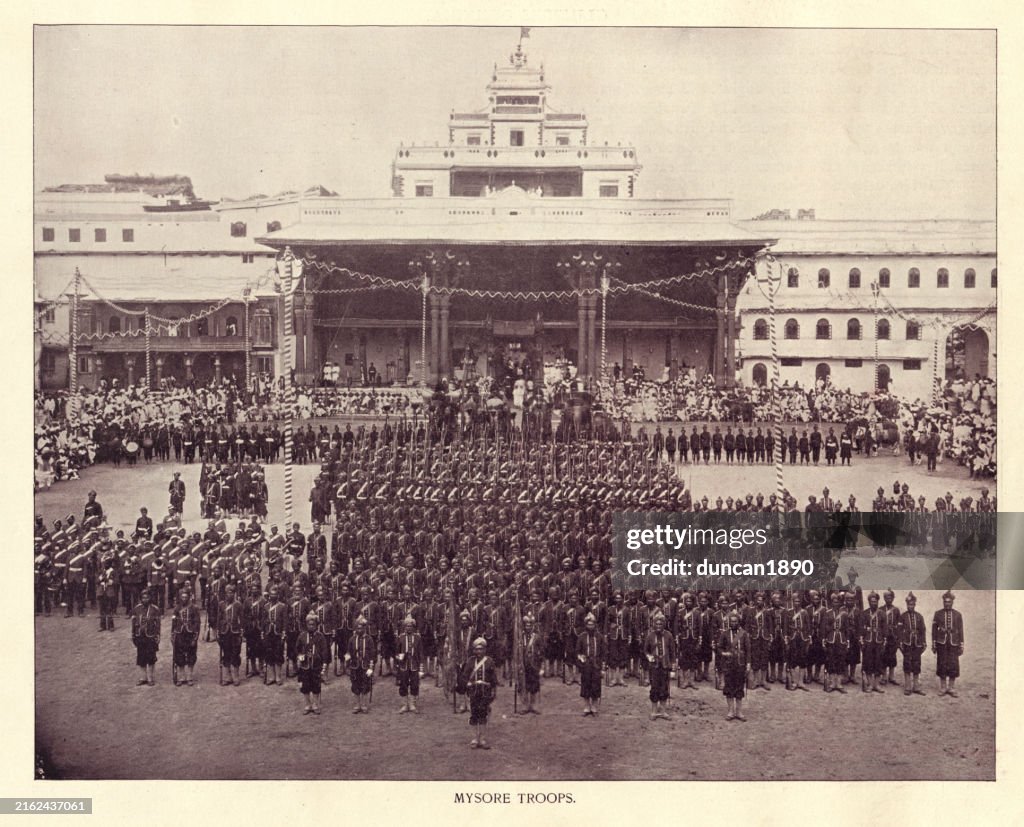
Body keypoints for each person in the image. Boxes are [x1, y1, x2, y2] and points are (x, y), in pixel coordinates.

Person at [461, 637, 499, 749]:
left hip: (485, 693)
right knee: (474, 714)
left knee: (483, 714)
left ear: (485, 650)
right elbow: (464, 676)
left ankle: (482, 739)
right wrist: (467, 683)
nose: (479, 652)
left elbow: (493, 679)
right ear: (473, 650)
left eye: (481, 649)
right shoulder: (470, 661)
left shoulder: (489, 661)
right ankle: (474, 738)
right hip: (473, 692)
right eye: (476, 649)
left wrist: (493, 692)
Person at [718, 611, 751, 721]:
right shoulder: (725, 634)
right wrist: (724, 653)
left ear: (738, 622)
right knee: (729, 688)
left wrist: (748, 664)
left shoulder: (744, 634)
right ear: (729, 622)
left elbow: (748, 650)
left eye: (735, 621)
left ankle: (739, 712)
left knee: (739, 688)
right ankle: (731, 711)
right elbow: (719, 648)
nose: (733, 623)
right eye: (731, 621)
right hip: (728, 665)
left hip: (740, 664)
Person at [296, 611, 330, 715]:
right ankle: (307, 704)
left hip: (316, 665)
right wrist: (300, 657)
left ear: (316, 625)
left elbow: (324, 651)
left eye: (313, 624)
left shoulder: (320, 637)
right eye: (309, 624)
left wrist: (324, 664)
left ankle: (315, 704)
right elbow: (297, 649)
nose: (311, 626)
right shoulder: (302, 636)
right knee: (305, 686)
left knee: (316, 685)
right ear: (306, 625)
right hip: (305, 666)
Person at [932, 590, 965, 697]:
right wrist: (934, 643)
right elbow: (934, 630)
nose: (947, 604)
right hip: (941, 642)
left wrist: (961, 645)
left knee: (953, 664)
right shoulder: (938, 614)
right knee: (942, 663)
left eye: (949, 602)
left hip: (953, 643)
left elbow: (961, 630)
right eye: (945, 602)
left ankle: (951, 688)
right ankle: (943, 687)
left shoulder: (958, 615)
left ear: (952, 602)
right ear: (943, 602)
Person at [644, 611, 675, 720]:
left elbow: (672, 653)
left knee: (664, 688)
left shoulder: (669, 635)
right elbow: (645, 650)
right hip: (654, 667)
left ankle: (663, 711)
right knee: (654, 688)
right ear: (653, 624)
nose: (658, 626)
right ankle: (654, 711)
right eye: (656, 624)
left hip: (665, 666)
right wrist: (649, 657)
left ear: (664, 624)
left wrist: (673, 669)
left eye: (660, 624)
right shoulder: (650, 635)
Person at [130, 587, 162, 686]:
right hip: (140, 636)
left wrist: (157, 636)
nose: (145, 600)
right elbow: (133, 623)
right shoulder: (136, 609)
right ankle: (143, 677)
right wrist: (133, 634)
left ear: (150, 598)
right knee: (141, 657)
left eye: (147, 597)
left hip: (150, 636)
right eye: (143, 598)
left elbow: (158, 625)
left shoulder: (155, 609)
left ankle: (150, 678)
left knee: (151, 658)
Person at [345, 615, 377, 713]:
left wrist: (371, 668)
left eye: (361, 628)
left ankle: (364, 704)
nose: (359, 630)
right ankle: (357, 704)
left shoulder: (369, 639)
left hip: (365, 666)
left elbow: (373, 654)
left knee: (365, 684)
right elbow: (348, 653)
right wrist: (347, 666)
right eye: (357, 628)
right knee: (355, 685)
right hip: (355, 666)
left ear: (364, 628)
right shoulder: (351, 639)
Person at [576, 612, 606, 716]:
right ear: (586, 625)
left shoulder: (600, 637)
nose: (590, 627)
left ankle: (594, 707)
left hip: (596, 664)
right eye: (588, 625)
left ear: (595, 625)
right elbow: (578, 652)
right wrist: (582, 661)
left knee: (595, 686)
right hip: (586, 665)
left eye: (592, 624)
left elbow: (604, 653)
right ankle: (586, 707)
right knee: (586, 685)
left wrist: (603, 668)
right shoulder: (581, 637)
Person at [858, 591, 887, 693]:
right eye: (872, 601)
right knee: (868, 662)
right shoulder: (864, 613)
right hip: (868, 641)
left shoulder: (882, 614)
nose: (873, 603)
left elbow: (885, 628)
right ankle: (870, 684)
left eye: (875, 601)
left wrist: (884, 640)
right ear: (869, 602)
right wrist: (861, 641)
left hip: (879, 641)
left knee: (878, 662)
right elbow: (861, 628)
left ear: (878, 602)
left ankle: (877, 684)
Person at [899, 592, 927, 696]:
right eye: (908, 604)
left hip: (917, 643)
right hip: (907, 643)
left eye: (912, 604)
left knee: (917, 664)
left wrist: (923, 642)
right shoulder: (903, 616)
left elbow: (923, 630)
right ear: (907, 605)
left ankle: (916, 686)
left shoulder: (919, 616)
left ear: (915, 605)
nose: (910, 606)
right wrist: (901, 642)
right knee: (907, 663)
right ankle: (907, 686)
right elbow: (899, 630)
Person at [171, 588, 201, 686]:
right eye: (182, 597)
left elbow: (197, 623)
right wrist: (173, 635)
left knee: (191, 655)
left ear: (188, 597)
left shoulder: (194, 608)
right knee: (179, 655)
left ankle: (189, 677)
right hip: (179, 634)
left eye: (185, 597)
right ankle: (181, 677)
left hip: (190, 634)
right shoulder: (177, 608)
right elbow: (174, 623)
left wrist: (195, 637)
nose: (184, 599)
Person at [396, 615, 424, 713]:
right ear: (405, 627)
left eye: (410, 626)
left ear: (413, 627)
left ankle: (412, 704)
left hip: (414, 665)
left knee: (414, 684)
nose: (409, 628)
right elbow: (396, 652)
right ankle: (404, 705)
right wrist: (400, 657)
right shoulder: (401, 637)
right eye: (407, 626)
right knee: (403, 684)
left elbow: (421, 653)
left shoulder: (417, 638)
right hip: (403, 665)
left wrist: (421, 668)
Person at [218, 583, 244, 686]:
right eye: (227, 593)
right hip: (225, 632)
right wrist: (219, 631)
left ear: (234, 594)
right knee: (226, 653)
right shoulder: (221, 605)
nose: (229, 595)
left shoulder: (238, 605)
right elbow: (219, 619)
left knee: (235, 653)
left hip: (235, 632)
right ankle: (227, 677)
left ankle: (235, 676)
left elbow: (242, 620)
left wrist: (241, 632)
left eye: (231, 593)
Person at [519, 613, 542, 714]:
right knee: (523, 685)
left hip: (534, 665)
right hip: (523, 665)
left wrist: (540, 666)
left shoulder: (537, 637)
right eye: (526, 625)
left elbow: (541, 652)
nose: (528, 627)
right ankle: (525, 705)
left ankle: (533, 705)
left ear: (533, 626)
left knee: (534, 685)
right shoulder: (520, 637)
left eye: (530, 625)